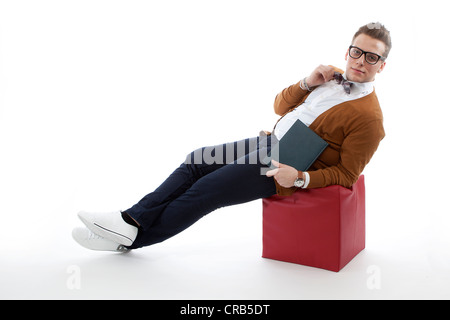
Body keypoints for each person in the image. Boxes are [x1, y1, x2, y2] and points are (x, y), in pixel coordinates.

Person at [73, 22, 391, 252]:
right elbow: (279, 105)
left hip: (285, 162)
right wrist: (308, 82)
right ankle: (129, 223)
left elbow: (348, 174)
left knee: (206, 190)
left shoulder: (370, 119)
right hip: (269, 141)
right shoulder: (328, 75)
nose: (361, 61)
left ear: (382, 65)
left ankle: (132, 236)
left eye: (371, 57)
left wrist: (299, 178)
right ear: (348, 51)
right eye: (357, 52)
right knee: (197, 160)